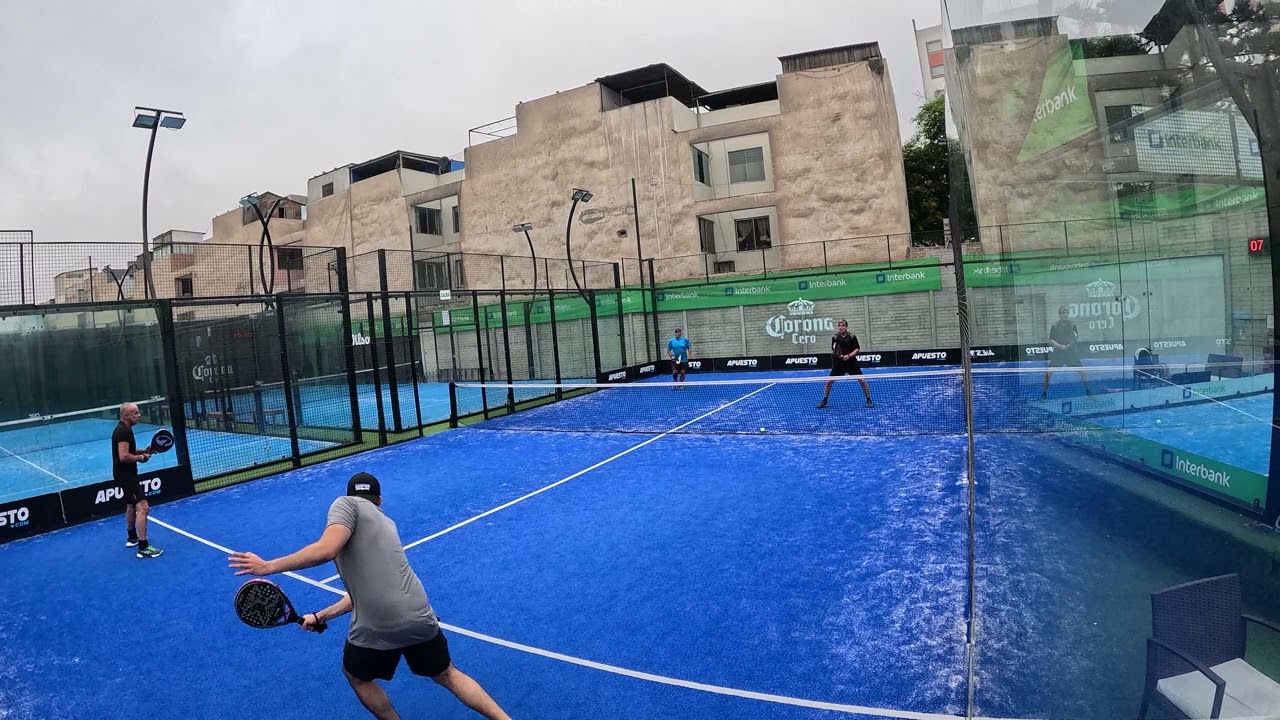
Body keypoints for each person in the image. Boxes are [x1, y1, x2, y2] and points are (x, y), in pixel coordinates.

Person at [228, 473, 511, 720]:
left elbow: (327, 549)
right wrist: (320, 616)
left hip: (378, 624)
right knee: (447, 674)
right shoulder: (387, 523)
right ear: (379, 500)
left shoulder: (345, 504)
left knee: (357, 676)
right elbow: (358, 594)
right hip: (419, 613)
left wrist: (269, 566)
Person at [114, 402, 162, 558]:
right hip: (126, 476)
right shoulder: (123, 432)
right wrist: (141, 458)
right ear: (126, 416)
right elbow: (124, 456)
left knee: (131, 505)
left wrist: (145, 451)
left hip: (123, 474)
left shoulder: (125, 429)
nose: (139, 415)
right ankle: (143, 547)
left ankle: (132, 537)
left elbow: (128, 450)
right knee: (143, 507)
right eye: (135, 413)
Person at [816, 320, 873, 409]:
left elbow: (857, 349)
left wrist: (849, 356)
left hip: (851, 363)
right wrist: (839, 355)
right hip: (839, 364)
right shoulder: (835, 337)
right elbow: (834, 350)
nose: (841, 327)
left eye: (843, 325)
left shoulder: (852, 336)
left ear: (846, 327)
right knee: (829, 382)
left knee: (862, 381)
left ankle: (868, 399)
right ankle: (825, 400)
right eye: (839, 326)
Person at [1041, 306, 1092, 400]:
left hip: (1071, 354)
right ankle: (1044, 394)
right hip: (1058, 354)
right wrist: (1060, 346)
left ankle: (1089, 392)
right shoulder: (1055, 326)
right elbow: (1051, 339)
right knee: (1048, 373)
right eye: (1063, 313)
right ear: (1059, 315)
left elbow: (1075, 337)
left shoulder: (1072, 325)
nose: (1065, 314)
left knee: (1083, 372)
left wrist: (1067, 346)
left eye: (1066, 313)